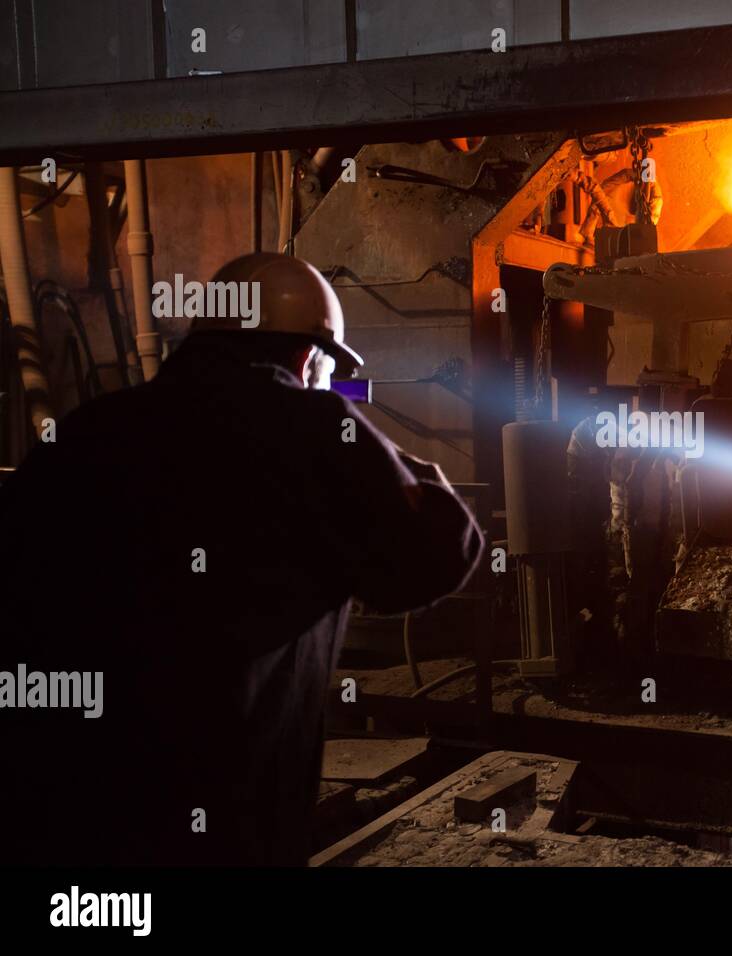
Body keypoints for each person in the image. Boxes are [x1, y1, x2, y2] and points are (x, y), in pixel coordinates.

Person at [0, 253, 483, 865]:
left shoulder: (87, 429)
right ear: (311, 357)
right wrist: (413, 472)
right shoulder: (314, 429)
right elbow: (437, 554)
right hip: (222, 829)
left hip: (58, 826)